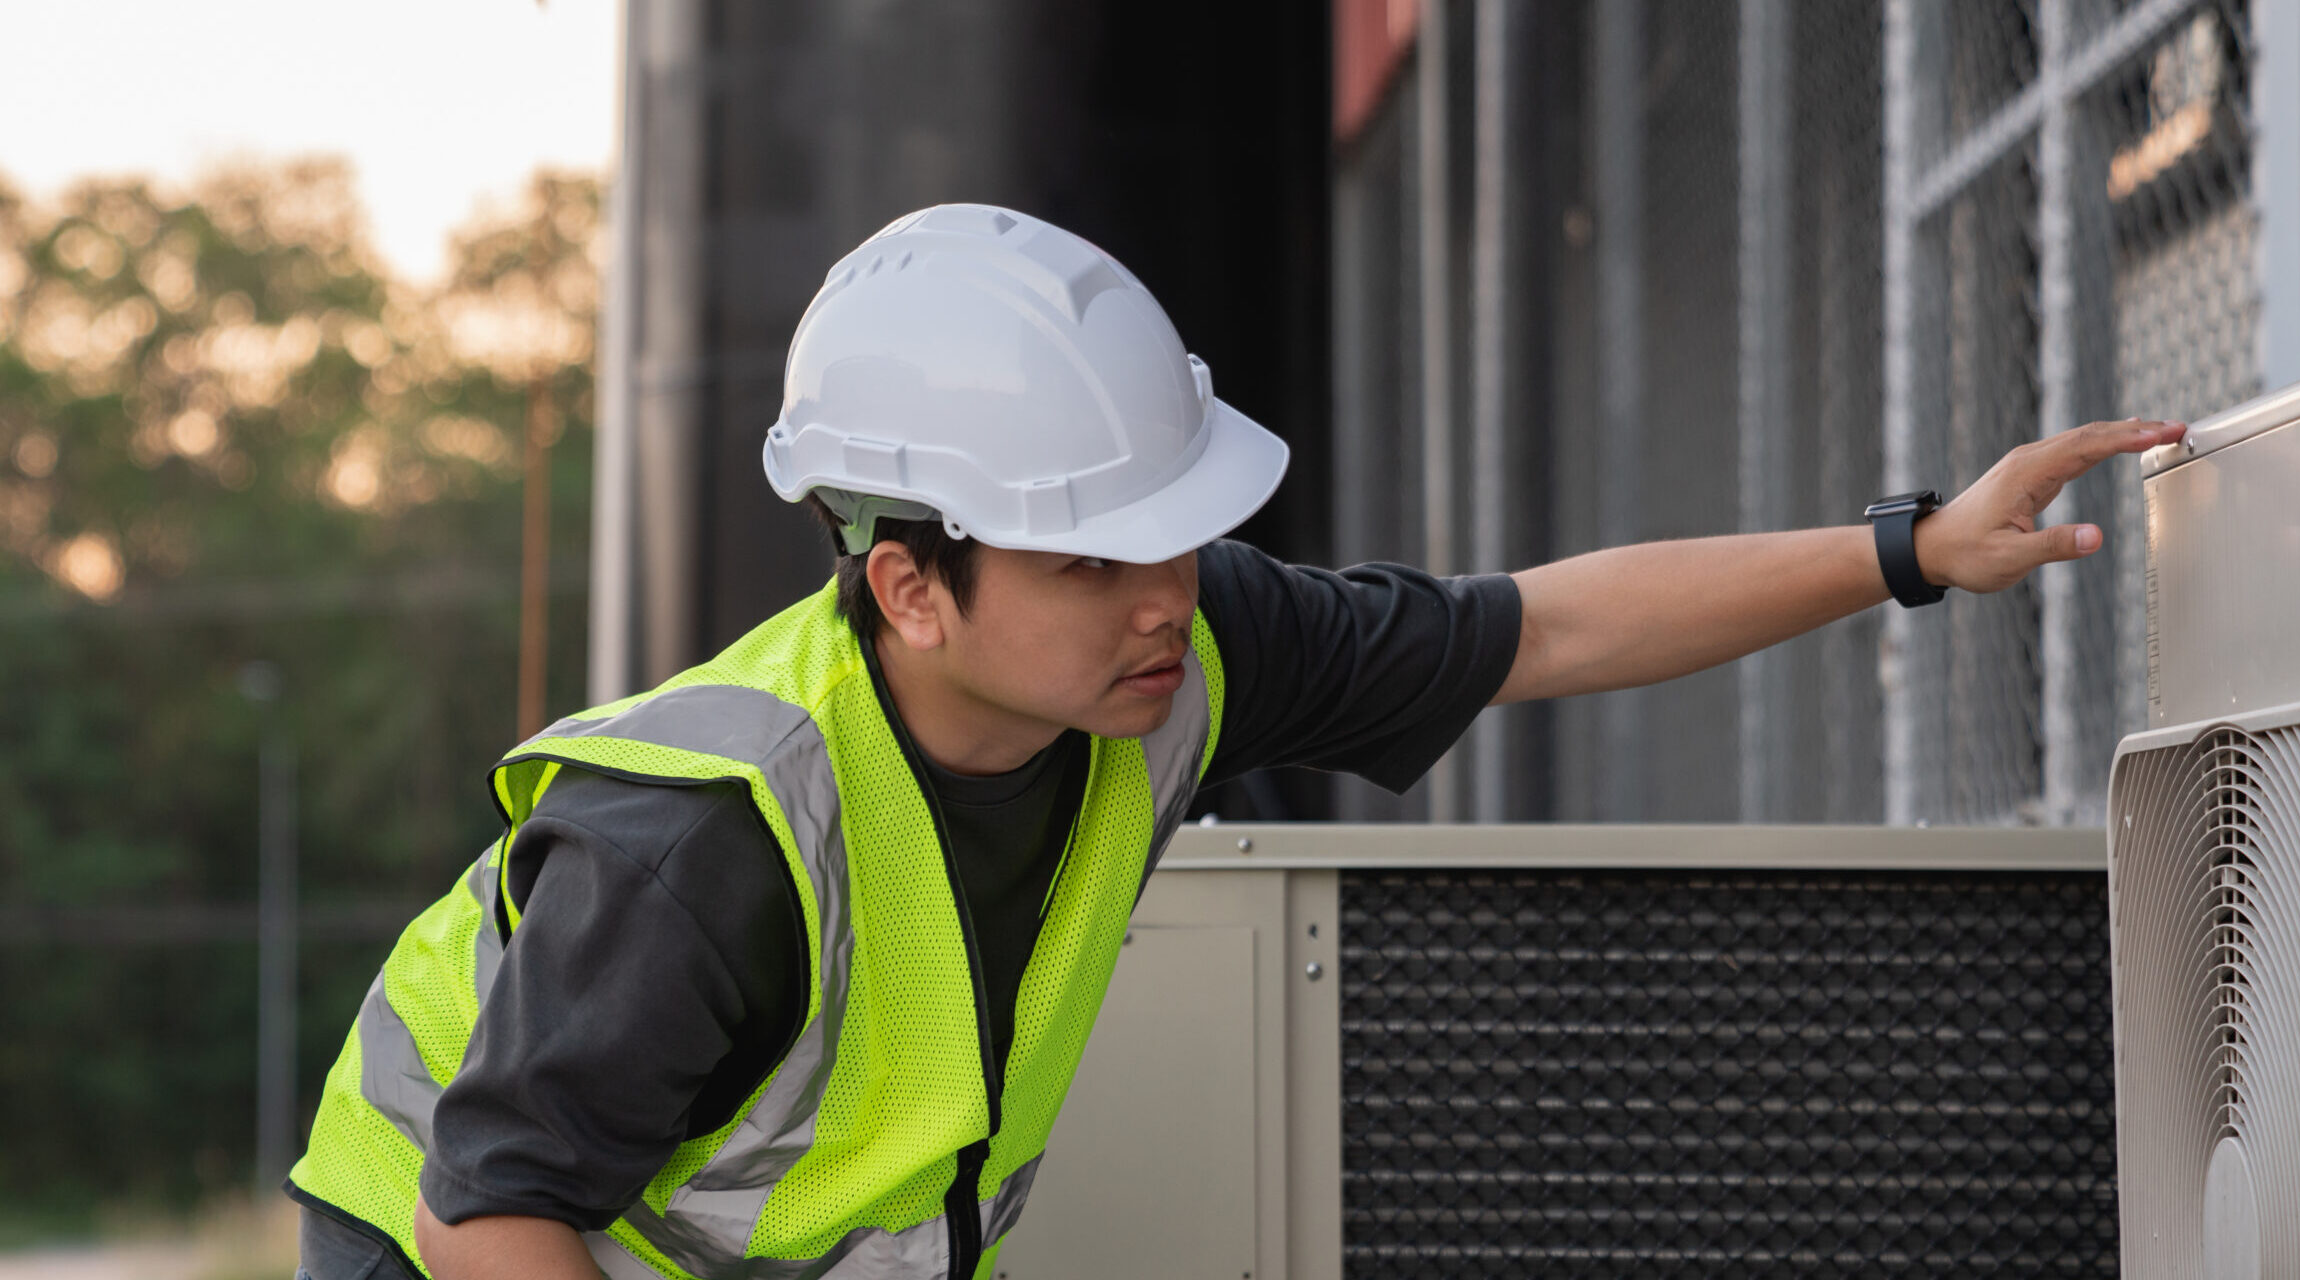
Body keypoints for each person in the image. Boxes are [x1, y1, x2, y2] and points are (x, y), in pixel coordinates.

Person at [283, 204, 2183, 1280]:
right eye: (1098, 551)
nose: (1164, 592)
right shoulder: (699, 837)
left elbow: (1542, 623)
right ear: (910, 586)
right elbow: (492, 1211)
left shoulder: (1177, 644)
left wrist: (1910, 550)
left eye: (1174, 532)